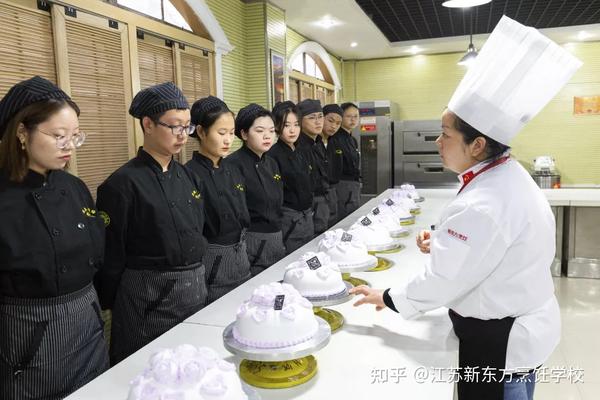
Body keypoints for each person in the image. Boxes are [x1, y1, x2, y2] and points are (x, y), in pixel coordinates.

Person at [350, 16, 582, 400]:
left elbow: (444, 280)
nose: (438, 142)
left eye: (445, 134)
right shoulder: (504, 175)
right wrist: (443, 238)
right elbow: (489, 245)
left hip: (501, 340)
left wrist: (388, 297)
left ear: (477, 145)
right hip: (524, 323)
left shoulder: (484, 201)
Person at [0, 76, 109, 399]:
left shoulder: (74, 188)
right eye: (59, 136)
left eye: (75, 137)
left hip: (87, 327)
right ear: (22, 132)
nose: (69, 147)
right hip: (27, 338)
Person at [95, 82, 208, 365]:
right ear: (147, 124)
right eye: (174, 127)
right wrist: (110, 302)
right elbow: (111, 252)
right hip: (147, 297)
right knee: (146, 368)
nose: (183, 136)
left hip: (193, 287)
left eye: (187, 127)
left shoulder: (188, 176)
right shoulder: (122, 184)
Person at [185, 96, 252, 303]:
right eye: (221, 133)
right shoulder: (189, 174)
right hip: (213, 263)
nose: (228, 140)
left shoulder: (233, 168)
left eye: (231, 133)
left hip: (241, 257)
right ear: (201, 132)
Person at [227, 103, 285, 276]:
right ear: (244, 133)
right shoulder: (232, 164)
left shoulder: (271, 162)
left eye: (271, 131)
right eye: (259, 131)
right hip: (252, 240)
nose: (267, 136)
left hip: (276, 236)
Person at [267, 101, 314, 254]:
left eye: (296, 124)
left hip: (307, 215)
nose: (293, 130)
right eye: (287, 126)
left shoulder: (301, 150)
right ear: (277, 126)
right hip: (289, 218)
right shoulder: (272, 155)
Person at [295, 99, 334, 235]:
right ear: (300, 121)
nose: (318, 122)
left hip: (324, 200)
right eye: (312, 118)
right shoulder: (298, 146)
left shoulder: (318, 142)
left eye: (320, 117)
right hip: (311, 205)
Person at [329, 102, 361, 219]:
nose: (353, 120)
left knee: (353, 216)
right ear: (341, 118)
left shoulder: (352, 140)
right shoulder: (334, 138)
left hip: (354, 185)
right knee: (345, 218)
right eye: (348, 116)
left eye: (356, 116)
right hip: (341, 186)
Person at [322, 104, 344, 225]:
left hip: (333, 191)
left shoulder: (334, 142)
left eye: (338, 123)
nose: (334, 126)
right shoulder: (314, 144)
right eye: (330, 121)